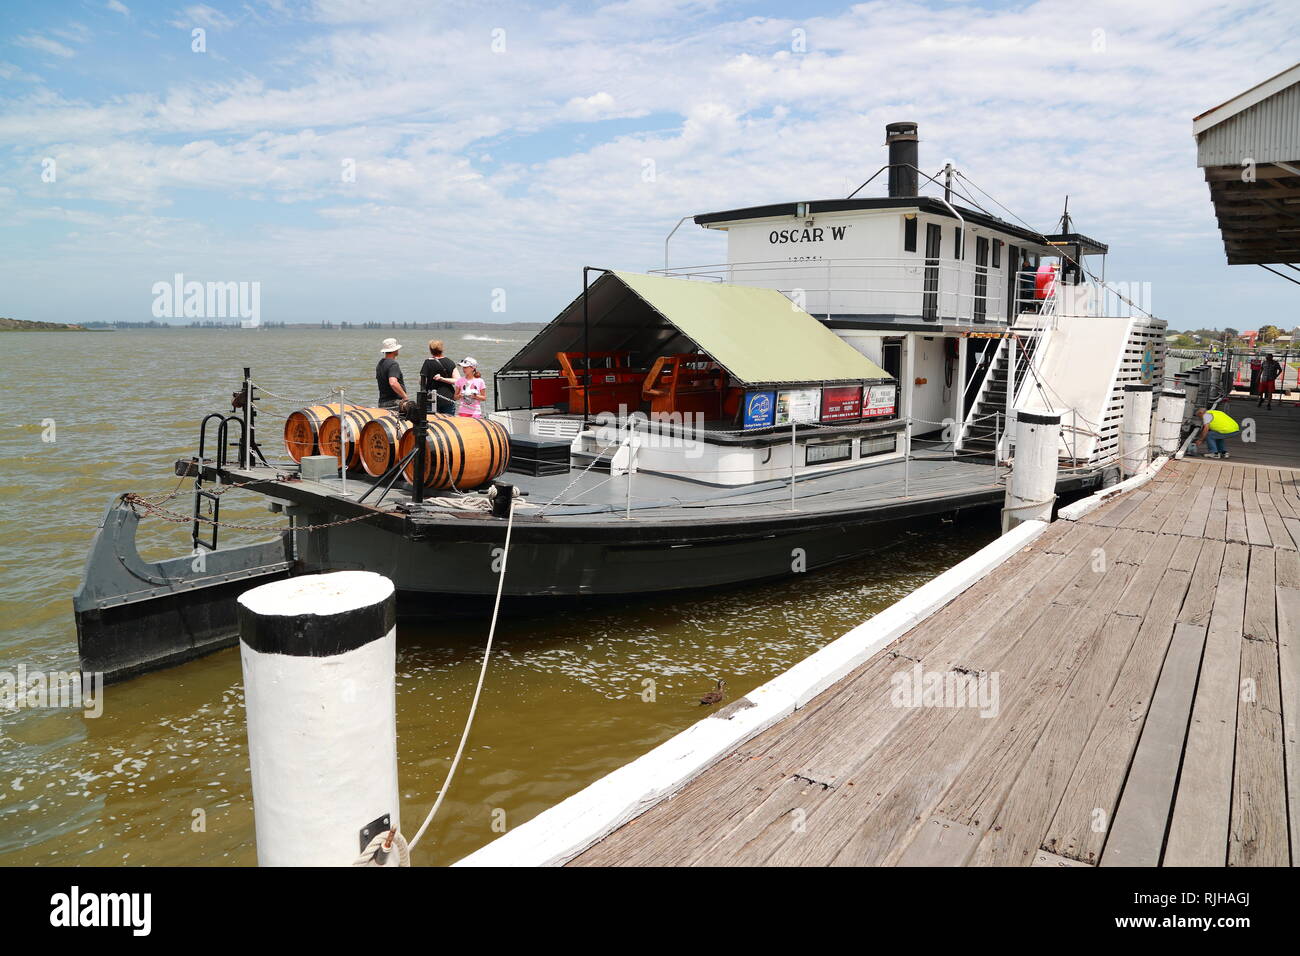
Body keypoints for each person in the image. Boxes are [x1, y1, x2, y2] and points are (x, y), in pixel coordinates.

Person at [420, 339, 459, 414]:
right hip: (448, 398)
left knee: (431, 423)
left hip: (431, 398)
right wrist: (443, 379)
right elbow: (458, 381)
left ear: (430, 350)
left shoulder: (427, 362)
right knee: (448, 422)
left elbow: (421, 381)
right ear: (442, 349)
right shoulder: (449, 362)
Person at [375, 337, 408, 411]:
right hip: (393, 402)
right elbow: (393, 383)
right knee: (413, 409)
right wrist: (405, 397)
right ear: (395, 350)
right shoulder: (393, 364)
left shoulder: (380, 363)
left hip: (382, 403)